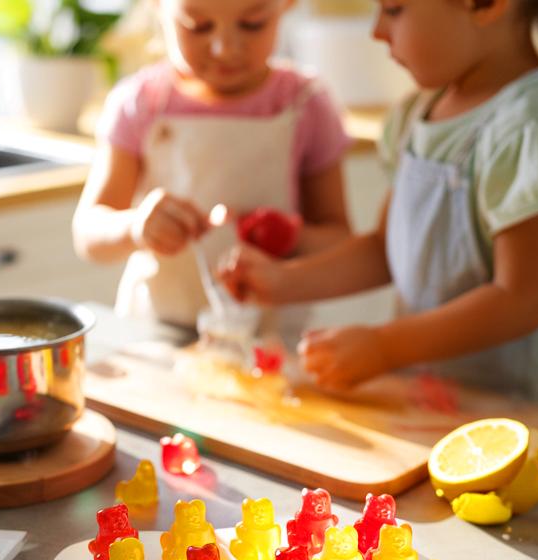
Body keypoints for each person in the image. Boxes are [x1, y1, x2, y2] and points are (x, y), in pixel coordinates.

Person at [220, 0, 538, 401]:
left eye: (394, 9)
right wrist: (283, 282)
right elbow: (383, 249)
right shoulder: (419, 112)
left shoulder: (529, 127)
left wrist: (385, 346)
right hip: (432, 399)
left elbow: (521, 300)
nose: (377, 32)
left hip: (512, 408)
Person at [71, 0, 353, 331]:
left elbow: (340, 243)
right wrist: (135, 226)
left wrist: (291, 236)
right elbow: (88, 234)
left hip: (272, 337)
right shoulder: (141, 103)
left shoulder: (305, 104)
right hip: (158, 332)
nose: (225, 49)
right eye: (198, 26)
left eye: (252, 24)